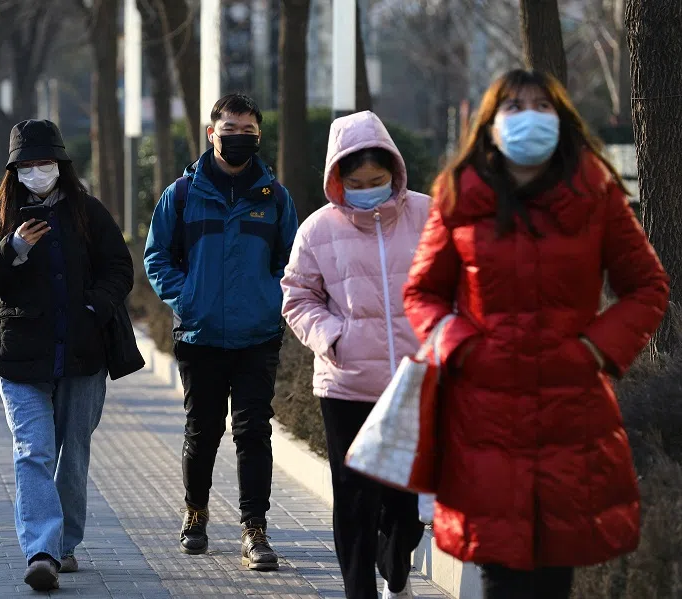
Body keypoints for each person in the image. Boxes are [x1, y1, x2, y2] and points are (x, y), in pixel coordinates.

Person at [402, 69, 669, 599]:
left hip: (571, 411)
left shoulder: (596, 192)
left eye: (542, 105)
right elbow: (423, 293)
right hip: (485, 413)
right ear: (492, 122)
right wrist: (464, 348)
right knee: (501, 574)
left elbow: (646, 286)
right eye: (514, 105)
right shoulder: (459, 194)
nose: (529, 115)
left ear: (561, 118)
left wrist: (595, 348)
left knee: (554, 575)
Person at [0, 119, 134, 592]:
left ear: (61, 165)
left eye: (45, 163)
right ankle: (41, 550)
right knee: (33, 450)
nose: (37, 171)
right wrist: (15, 247)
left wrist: (93, 305)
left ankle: (63, 543)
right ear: (13, 170)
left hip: (82, 355)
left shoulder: (89, 212)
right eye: (27, 165)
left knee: (73, 453)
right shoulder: (0, 216)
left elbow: (120, 269)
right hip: (19, 358)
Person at [144, 93, 298, 569]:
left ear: (257, 138)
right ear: (212, 133)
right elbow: (157, 257)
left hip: (257, 337)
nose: (237, 139)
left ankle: (255, 530)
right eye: (228, 130)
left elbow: (292, 262)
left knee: (254, 433)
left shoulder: (274, 197)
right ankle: (196, 513)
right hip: (200, 335)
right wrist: (187, 299)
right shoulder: (183, 194)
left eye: (247, 132)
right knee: (203, 430)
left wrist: (272, 300)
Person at [281, 111, 429, 599]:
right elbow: (297, 296)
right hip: (345, 384)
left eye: (378, 180)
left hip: (411, 384)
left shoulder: (429, 216)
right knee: (353, 499)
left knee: (403, 506)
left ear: (395, 173)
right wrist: (333, 337)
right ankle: (359, 591)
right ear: (338, 179)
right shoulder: (317, 229)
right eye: (358, 181)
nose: (369, 189)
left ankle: (396, 561)